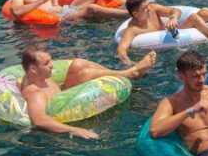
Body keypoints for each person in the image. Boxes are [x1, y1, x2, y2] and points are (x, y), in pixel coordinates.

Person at [19, 43, 156, 138]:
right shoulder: (35, 93)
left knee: (77, 63)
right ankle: (130, 73)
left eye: (50, 61)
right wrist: (75, 130)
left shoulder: (35, 77)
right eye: (46, 63)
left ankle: (129, 72)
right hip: (71, 110)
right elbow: (39, 120)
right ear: (33, 69)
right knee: (85, 75)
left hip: (64, 93)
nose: (52, 65)